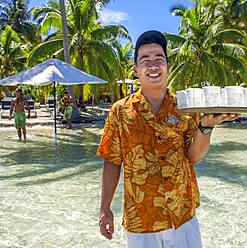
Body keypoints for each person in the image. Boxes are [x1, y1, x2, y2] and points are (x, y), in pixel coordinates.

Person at [97, 30, 239, 247]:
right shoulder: (119, 112)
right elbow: (112, 160)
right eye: (145, 60)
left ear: (168, 67)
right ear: (136, 69)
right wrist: (105, 207)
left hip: (182, 216)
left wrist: (206, 127)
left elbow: (194, 157)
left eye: (159, 59)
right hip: (141, 219)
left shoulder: (186, 106)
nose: (153, 65)